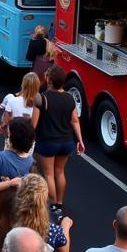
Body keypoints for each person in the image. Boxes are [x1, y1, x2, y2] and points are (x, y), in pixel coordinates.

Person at [31, 65, 86, 211]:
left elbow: (33, 124)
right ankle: (60, 203)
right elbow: (74, 120)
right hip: (67, 142)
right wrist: (80, 140)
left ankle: (53, 205)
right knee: (60, 172)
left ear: (49, 79)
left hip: (48, 142)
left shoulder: (41, 98)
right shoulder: (69, 98)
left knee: (48, 174)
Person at [0, 117, 35, 203]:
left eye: (8, 134)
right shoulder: (32, 162)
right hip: (21, 210)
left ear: (12, 138)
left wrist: (9, 183)